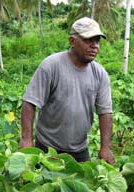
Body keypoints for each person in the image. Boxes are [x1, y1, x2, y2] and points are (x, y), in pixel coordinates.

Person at [19, 17, 115, 164]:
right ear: (72, 41)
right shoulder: (51, 65)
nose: (94, 46)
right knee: (43, 185)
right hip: (47, 147)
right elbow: (30, 102)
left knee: (81, 186)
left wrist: (105, 147)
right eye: (88, 40)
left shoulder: (100, 73)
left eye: (97, 41)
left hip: (79, 149)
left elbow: (105, 112)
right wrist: (26, 139)